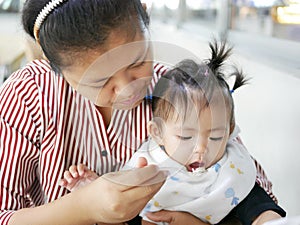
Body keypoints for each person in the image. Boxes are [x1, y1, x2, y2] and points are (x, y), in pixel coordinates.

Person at [0, 0, 282, 224]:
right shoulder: (29, 94)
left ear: (145, 17)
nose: (126, 89)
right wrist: (83, 207)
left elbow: (253, 193)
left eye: (137, 61)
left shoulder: (181, 91)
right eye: (99, 81)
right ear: (54, 64)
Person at [60, 42, 286, 225]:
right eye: (186, 137)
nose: (202, 148)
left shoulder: (229, 172)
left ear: (230, 131)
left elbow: (262, 210)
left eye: (216, 137)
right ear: (157, 133)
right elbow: (121, 211)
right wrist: (93, 189)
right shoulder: (150, 169)